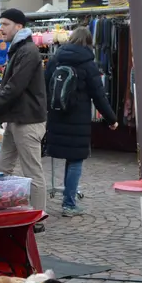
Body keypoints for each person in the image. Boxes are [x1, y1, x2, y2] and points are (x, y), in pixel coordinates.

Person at [0, 8, 48, 233]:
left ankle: (38, 218)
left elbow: (14, 88)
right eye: (0, 24)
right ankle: (0, 207)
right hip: (16, 118)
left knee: (32, 171)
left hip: (28, 121)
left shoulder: (28, 51)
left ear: (19, 26)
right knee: (3, 165)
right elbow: (10, 88)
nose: (1, 29)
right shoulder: (18, 49)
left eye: (6, 24)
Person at [44, 27, 118, 217]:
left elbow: (44, 87)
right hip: (78, 121)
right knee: (75, 160)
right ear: (88, 42)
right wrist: (111, 119)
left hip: (56, 117)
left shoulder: (55, 59)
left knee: (70, 159)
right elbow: (99, 96)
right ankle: (69, 204)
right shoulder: (88, 64)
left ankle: (67, 200)